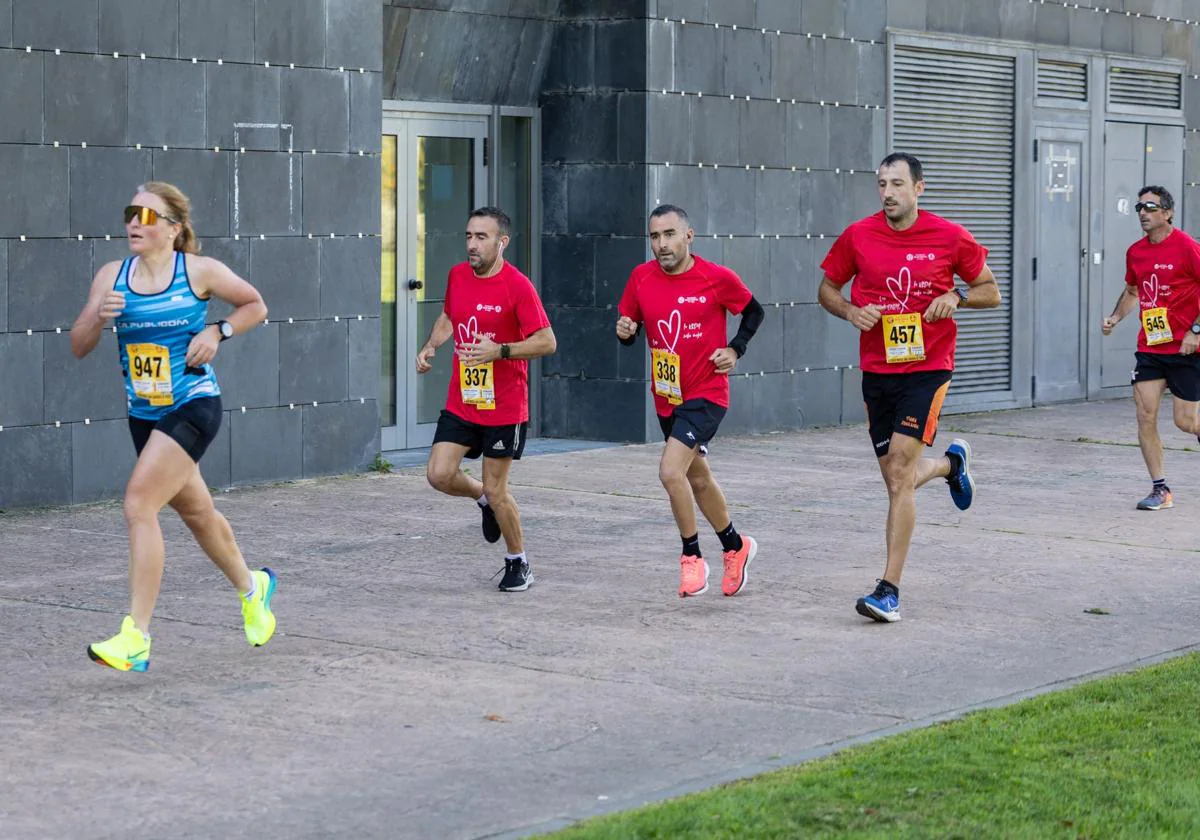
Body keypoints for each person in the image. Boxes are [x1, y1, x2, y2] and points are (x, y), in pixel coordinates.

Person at [70, 181, 274, 671]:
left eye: (147, 215)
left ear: (174, 229)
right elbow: (78, 344)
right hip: (144, 415)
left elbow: (255, 305)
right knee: (198, 514)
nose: (135, 223)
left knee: (139, 503)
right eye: (130, 212)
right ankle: (253, 587)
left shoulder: (199, 271)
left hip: (193, 406)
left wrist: (217, 330)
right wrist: (99, 317)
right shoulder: (111, 276)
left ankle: (135, 637)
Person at [819, 153, 1001, 623]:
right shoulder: (859, 235)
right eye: (881, 184)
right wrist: (849, 312)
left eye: (897, 184)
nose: (887, 193)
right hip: (878, 371)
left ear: (919, 188)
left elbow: (990, 290)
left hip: (928, 368)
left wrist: (955, 294)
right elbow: (827, 288)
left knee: (899, 470)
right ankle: (947, 466)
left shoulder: (948, 236)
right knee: (897, 478)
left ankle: (889, 590)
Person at [616, 204, 764, 598]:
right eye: (654, 236)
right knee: (697, 477)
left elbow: (753, 312)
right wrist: (626, 331)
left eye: (669, 234)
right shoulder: (640, 278)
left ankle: (692, 558)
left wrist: (735, 349)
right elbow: (629, 329)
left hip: (707, 394)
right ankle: (736, 546)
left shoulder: (715, 278)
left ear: (688, 236)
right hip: (668, 397)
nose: (661, 244)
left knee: (670, 472)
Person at [416, 207, 556, 591]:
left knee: (499, 489)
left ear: (502, 242)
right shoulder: (458, 276)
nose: (473, 245)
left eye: (482, 237)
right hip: (464, 400)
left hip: (504, 407)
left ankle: (518, 561)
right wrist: (431, 346)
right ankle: (481, 500)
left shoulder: (518, 286)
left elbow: (547, 341)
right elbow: (449, 317)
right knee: (438, 474)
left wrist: (501, 351)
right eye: (468, 237)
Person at [1101, 186, 1200, 511]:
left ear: (1167, 213)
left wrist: (1195, 330)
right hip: (1151, 347)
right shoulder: (1136, 252)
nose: (1143, 213)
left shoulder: (1187, 248)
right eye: (1139, 207)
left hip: (1187, 349)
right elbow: (1133, 290)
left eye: (1150, 207)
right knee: (1145, 415)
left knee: (1185, 422)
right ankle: (1160, 489)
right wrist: (1115, 317)